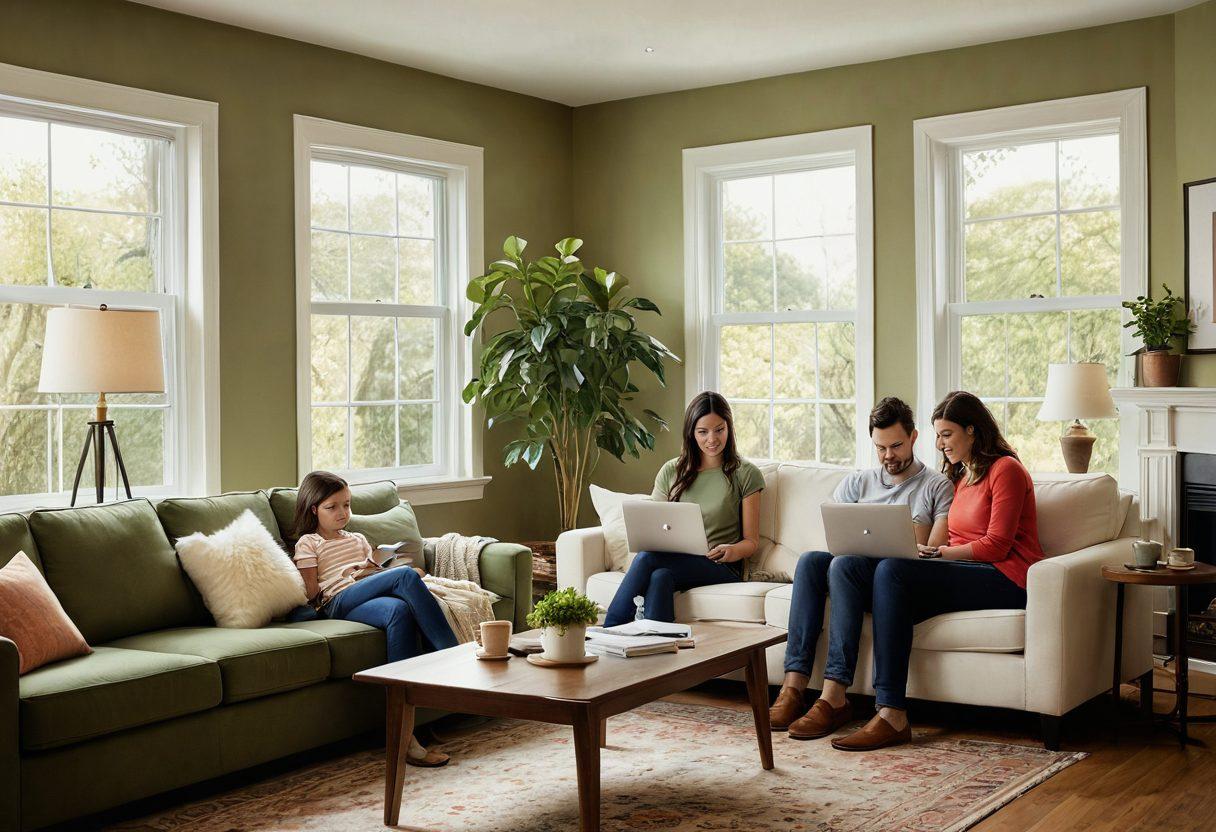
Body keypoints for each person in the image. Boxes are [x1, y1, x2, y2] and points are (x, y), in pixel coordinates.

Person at [829, 391, 1045, 751]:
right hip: (962, 570)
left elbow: (997, 546)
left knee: (893, 572)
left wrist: (940, 553)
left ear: (972, 431)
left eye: (947, 434)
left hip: (1007, 577)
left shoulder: (1005, 469)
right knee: (870, 569)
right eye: (938, 435)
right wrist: (928, 552)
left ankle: (892, 714)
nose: (940, 444)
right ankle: (847, 699)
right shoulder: (960, 475)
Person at [769, 397, 953, 740]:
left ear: (914, 438)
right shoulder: (857, 483)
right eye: (880, 447)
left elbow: (929, 551)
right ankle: (792, 689)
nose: (888, 456)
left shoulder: (936, 486)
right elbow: (834, 536)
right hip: (850, 575)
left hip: (891, 585)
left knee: (846, 565)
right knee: (811, 561)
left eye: (896, 446)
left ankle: (834, 697)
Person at [291, 470, 458, 766]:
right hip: (336, 601)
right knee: (406, 576)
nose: (342, 512)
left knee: (399, 610)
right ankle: (454, 657)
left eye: (346, 504)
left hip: (364, 595)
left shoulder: (356, 538)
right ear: (314, 509)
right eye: (332, 507)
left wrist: (376, 569)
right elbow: (311, 592)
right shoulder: (309, 542)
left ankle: (405, 738)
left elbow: (373, 574)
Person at [603, 391, 765, 627]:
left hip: (721, 566)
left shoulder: (745, 473)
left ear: (729, 428)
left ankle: (610, 627)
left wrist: (732, 550)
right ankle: (657, 646)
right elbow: (653, 526)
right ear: (691, 432)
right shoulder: (672, 470)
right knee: (660, 576)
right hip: (676, 561)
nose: (712, 439)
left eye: (719, 429)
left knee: (648, 559)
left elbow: (751, 542)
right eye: (703, 432)